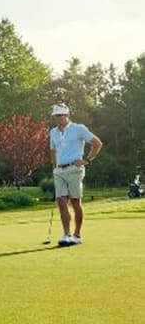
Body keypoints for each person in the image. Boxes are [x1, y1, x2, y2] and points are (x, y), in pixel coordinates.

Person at [48, 103, 103, 246]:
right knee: (61, 202)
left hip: (74, 169)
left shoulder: (79, 129)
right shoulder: (53, 132)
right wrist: (54, 167)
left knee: (75, 202)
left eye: (60, 115)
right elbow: (53, 151)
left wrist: (87, 160)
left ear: (67, 115)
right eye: (56, 116)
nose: (58, 118)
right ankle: (66, 235)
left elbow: (97, 143)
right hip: (59, 171)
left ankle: (77, 235)